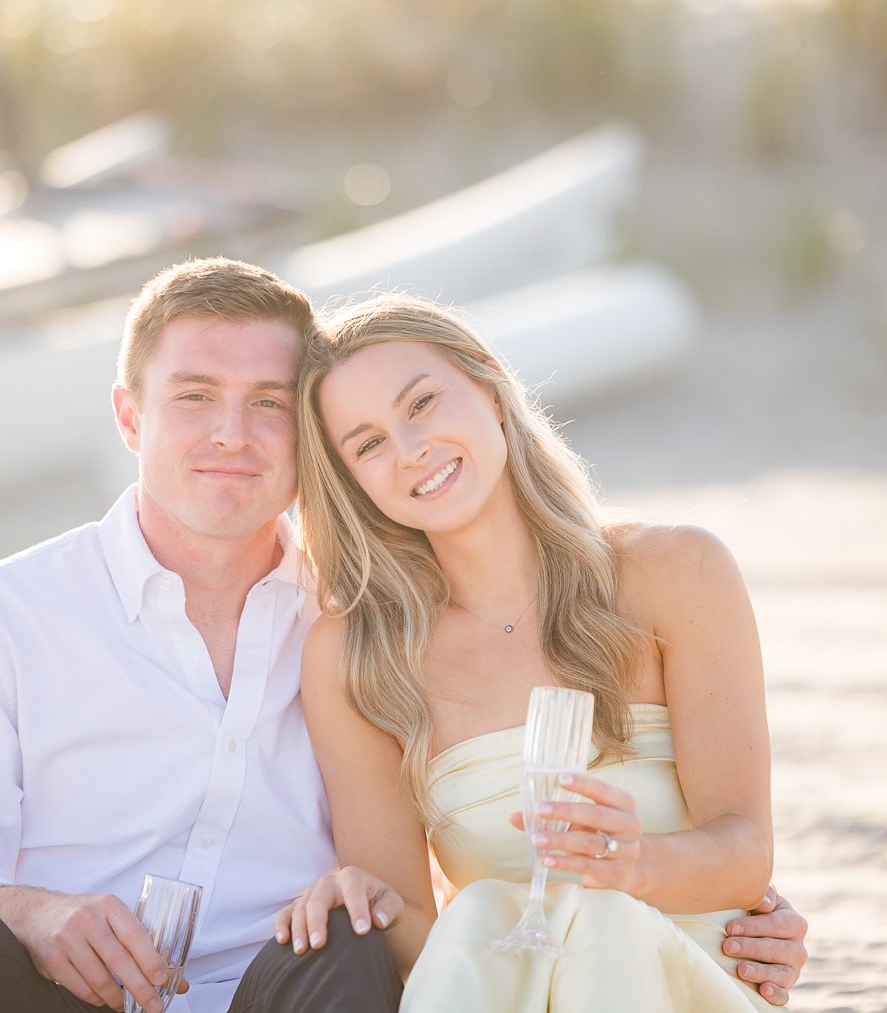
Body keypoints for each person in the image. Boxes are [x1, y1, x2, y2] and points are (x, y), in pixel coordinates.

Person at [0, 258, 808, 1013]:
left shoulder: (349, 621)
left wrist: (705, 898)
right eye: (193, 396)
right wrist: (37, 913)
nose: (233, 431)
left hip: (287, 994)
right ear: (129, 416)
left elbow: (429, 891)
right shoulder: (7, 617)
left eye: (268, 403)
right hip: (63, 994)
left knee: (344, 936)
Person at [279, 292, 787, 1011]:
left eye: (421, 404)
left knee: (604, 915)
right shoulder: (358, 658)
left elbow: (744, 850)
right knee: (481, 909)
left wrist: (634, 864)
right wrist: (361, 899)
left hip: (688, 978)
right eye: (368, 444)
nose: (410, 449)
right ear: (352, 481)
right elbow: (424, 939)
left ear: (488, 386)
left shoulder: (678, 571)